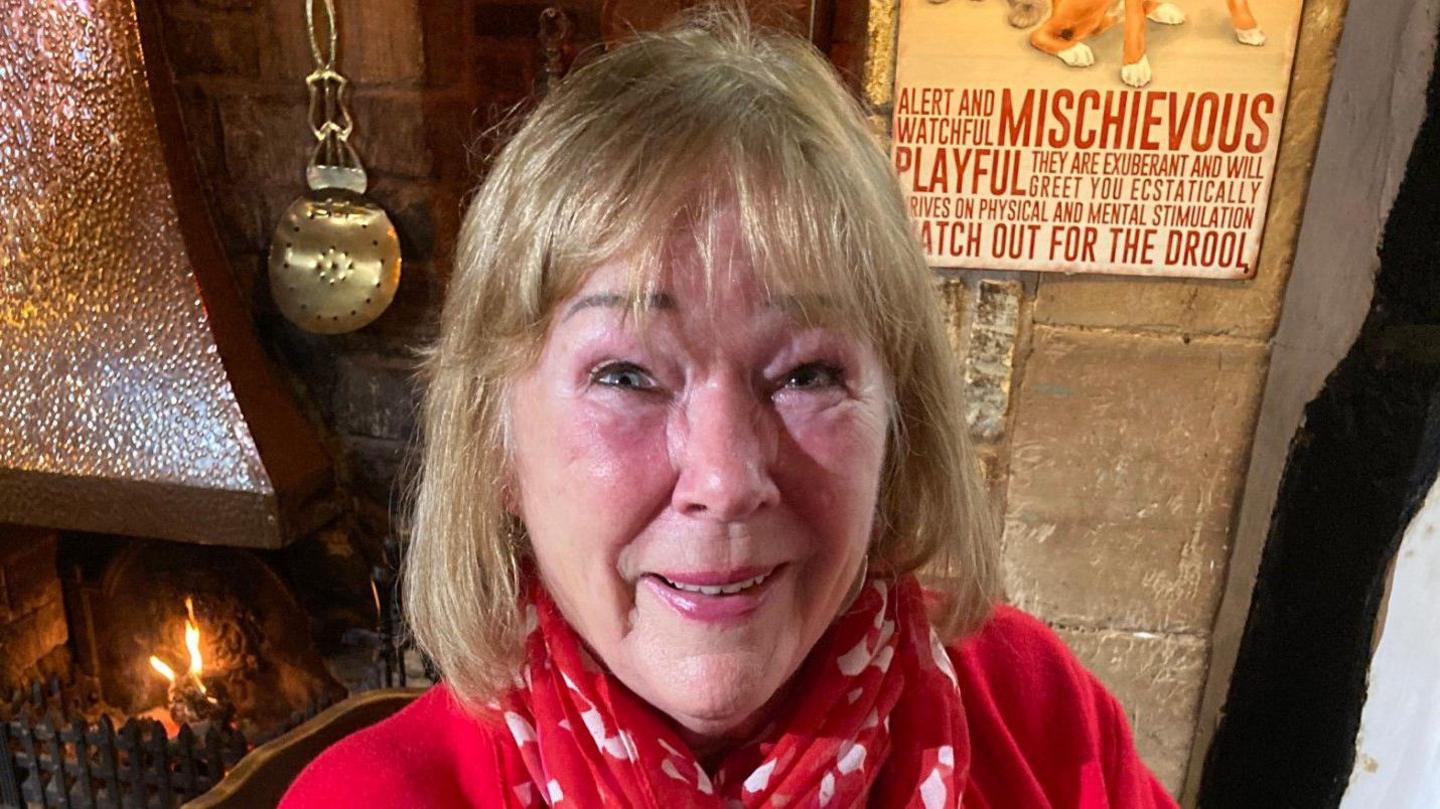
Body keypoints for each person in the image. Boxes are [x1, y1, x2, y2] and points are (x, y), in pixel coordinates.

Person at [281, 8, 1178, 808]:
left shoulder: (1032, 708)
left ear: (898, 430)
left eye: (808, 374)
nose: (724, 479)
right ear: (496, 442)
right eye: (627, 374)